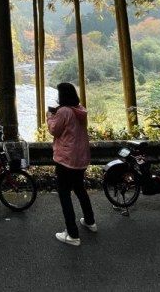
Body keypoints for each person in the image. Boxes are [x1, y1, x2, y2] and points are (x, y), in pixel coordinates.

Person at [46, 82, 96, 246]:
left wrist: (49, 115)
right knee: (80, 188)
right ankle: (90, 221)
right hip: (81, 157)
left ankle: (72, 234)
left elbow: (54, 130)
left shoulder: (64, 111)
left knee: (64, 193)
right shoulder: (80, 109)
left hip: (66, 158)